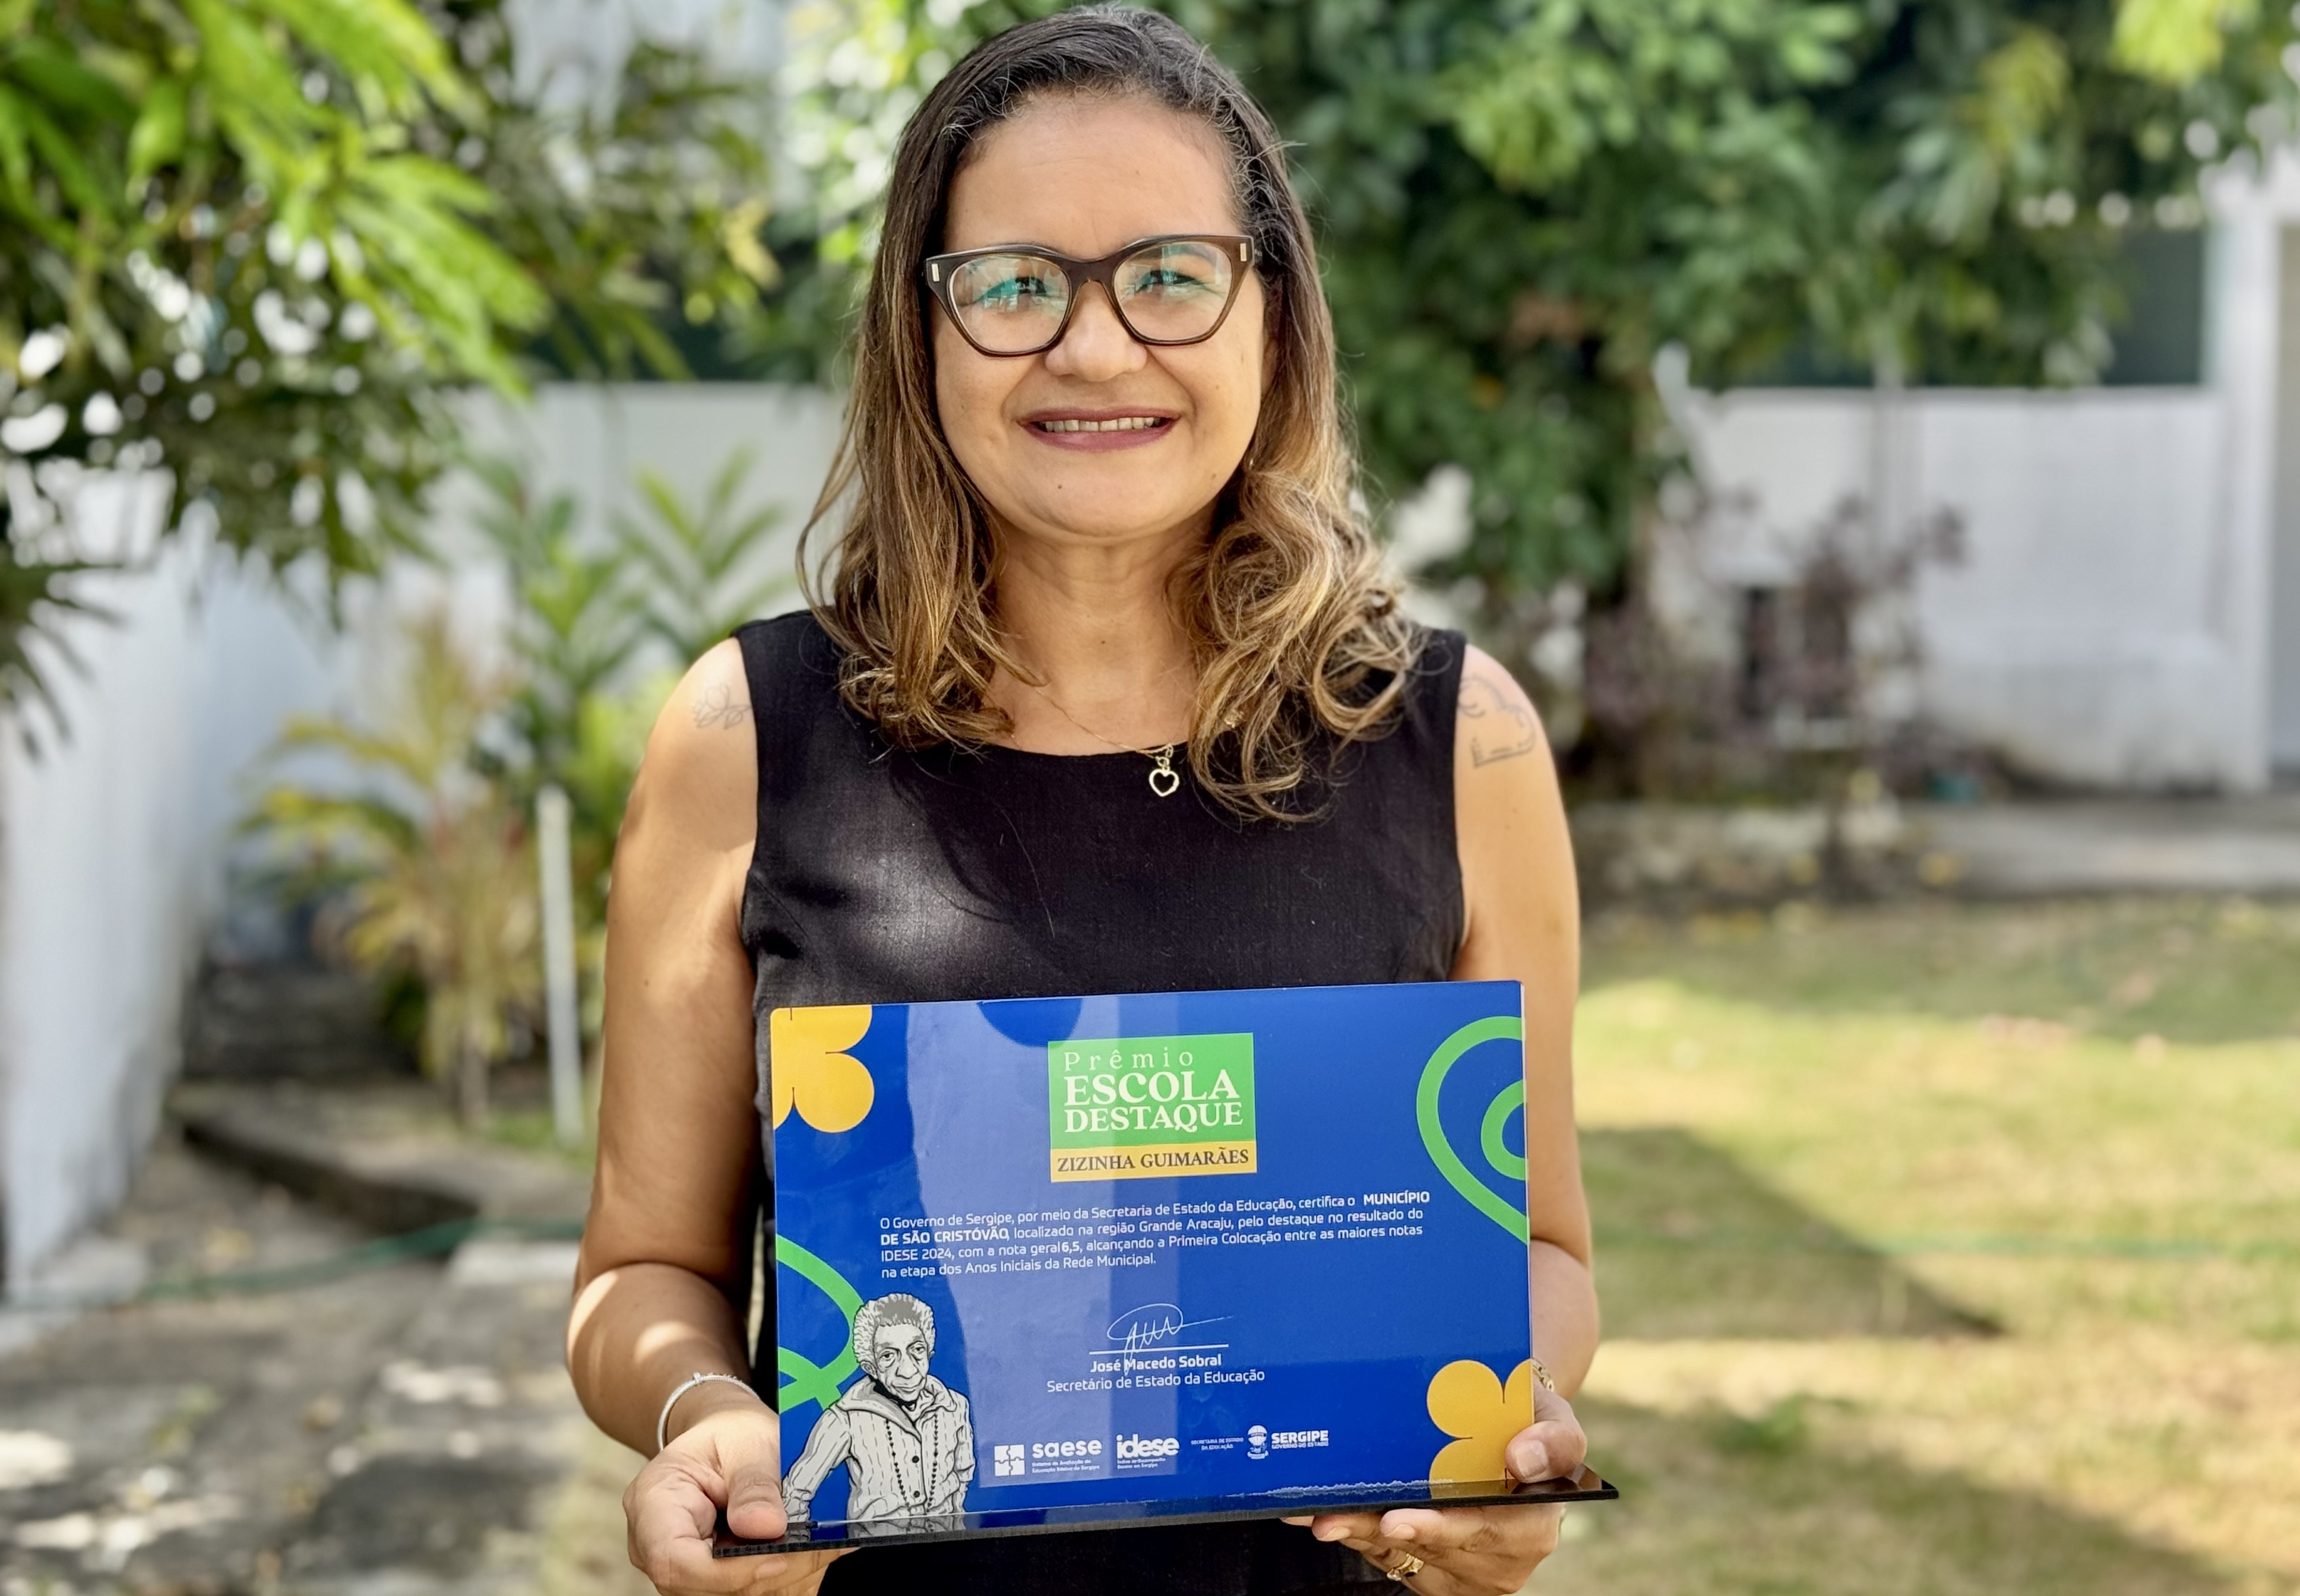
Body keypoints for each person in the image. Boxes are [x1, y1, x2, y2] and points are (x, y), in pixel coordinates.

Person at [564, 8, 1600, 1594]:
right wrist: (708, 1419)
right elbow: (640, 1272)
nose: (1098, 349)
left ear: (1272, 314)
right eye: (1016, 286)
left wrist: (1506, 1436)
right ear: (921, 328)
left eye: (1170, 275)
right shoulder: (743, 737)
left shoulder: (1464, 742)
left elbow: (1543, 1252)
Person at [782, 1295, 974, 1526]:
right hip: (872, 1547)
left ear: (929, 1353)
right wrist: (800, 1543)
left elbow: (963, 1475)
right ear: (871, 1367)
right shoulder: (845, 1419)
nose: (908, 1371)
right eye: (888, 1356)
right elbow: (795, 1493)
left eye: (917, 1350)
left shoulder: (956, 1406)